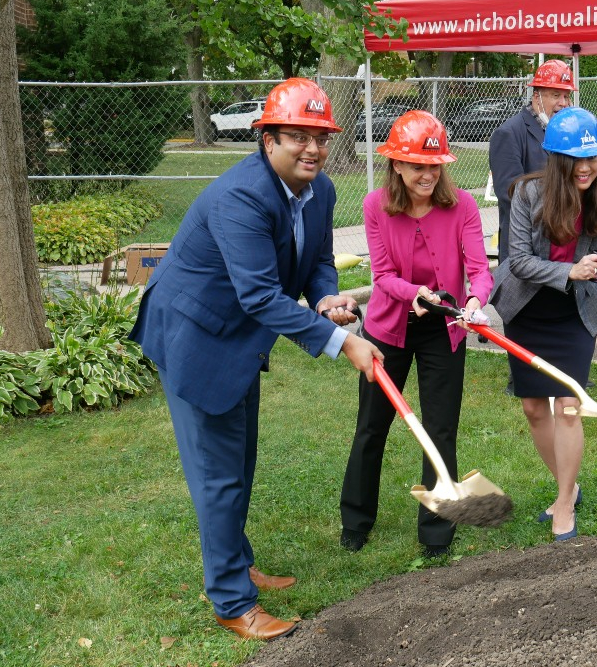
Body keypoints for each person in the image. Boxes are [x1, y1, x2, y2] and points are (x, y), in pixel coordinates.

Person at [129, 78, 383, 641]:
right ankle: (230, 599)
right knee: (219, 475)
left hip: (240, 337)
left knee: (238, 463)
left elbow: (316, 261)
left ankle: (236, 561)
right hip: (194, 336)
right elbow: (260, 296)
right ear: (266, 138)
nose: (312, 148)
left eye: (319, 136)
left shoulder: (322, 192)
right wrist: (342, 342)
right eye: (297, 136)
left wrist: (324, 296)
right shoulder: (240, 196)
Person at [489, 108, 597, 542]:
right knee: (533, 408)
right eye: (575, 159)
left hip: (574, 316)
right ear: (556, 160)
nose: (586, 168)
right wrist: (569, 271)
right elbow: (519, 261)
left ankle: (564, 500)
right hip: (527, 310)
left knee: (567, 406)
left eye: (594, 158)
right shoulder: (526, 195)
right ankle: (570, 482)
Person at [339, 111, 494, 559]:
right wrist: (415, 294)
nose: (427, 175)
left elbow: (479, 270)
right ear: (397, 165)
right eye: (417, 166)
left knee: (441, 429)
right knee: (372, 426)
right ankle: (355, 520)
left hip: (445, 328)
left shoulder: (462, 204)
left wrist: (474, 304)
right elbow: (384, 275)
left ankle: (437, 530)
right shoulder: (375, 206)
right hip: (388, 328)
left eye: (434, 166)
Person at [489, 59, 575, 263]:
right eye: (555, 95)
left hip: (561, 250)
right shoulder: (508, 134)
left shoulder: (565, 134)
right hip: (523, 253)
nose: (563, 103)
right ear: (536, 96)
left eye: (566, 96)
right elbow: (510, 194)